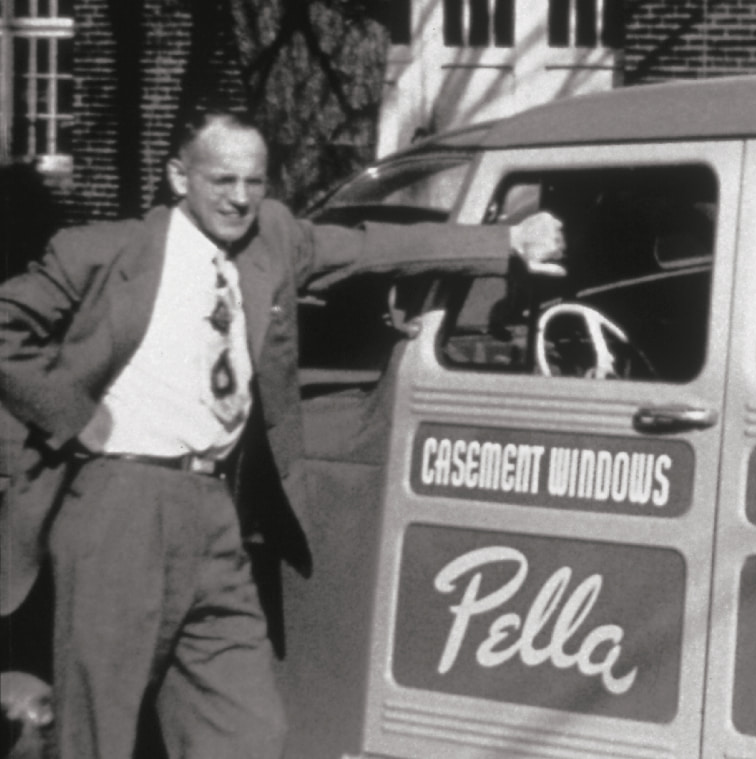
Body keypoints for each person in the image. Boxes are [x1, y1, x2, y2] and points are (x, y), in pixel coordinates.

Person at [0, 109, 565, 759]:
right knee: (98, 734)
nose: (240, 197)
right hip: (120, 504)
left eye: (255, 181)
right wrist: (72, 414)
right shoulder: (103, 251)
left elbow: (367, 247)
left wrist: (502, 244)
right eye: (222, 180)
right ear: (179, 176)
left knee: (246, 730)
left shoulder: (271, 239)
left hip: (217, 512)